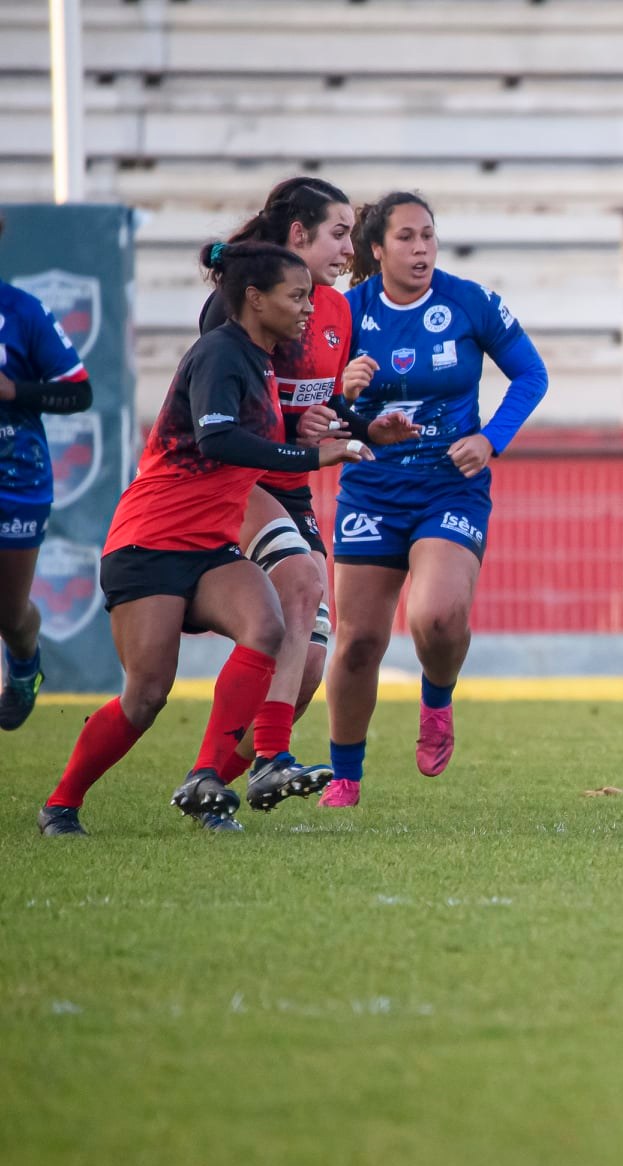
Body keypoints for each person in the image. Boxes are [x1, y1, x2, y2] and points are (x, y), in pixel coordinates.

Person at [35, 242, 374, 836]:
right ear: (255, 299)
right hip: (151, 541)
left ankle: (211, 775)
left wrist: (352, 428)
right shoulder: (220, 353)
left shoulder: (261, 361)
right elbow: (217, 439)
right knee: (146, 695)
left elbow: (254, 438)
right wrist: (314, 455)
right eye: (297, 297)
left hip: (211, 547)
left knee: (268, 627)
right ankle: (61, 803)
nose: (308, 308)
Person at [320, 191, 549, 807]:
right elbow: (315, 405)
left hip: (450, 486)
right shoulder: (345, 314)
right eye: (406, 238)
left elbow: (532, 374)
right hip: (372, 489)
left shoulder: (469, 302)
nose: (421, 249)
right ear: (376, 249)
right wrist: (343, 390)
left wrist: (490, 439)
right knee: (358, 641)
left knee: (438, 617)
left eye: (428, 235)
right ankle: (345, 775)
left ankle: (437, 698)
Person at [197, 177, 409, 806]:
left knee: (311, 662)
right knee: (301, 585)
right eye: (339, 234)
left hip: (291, 486)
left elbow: (323, 407)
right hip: (234, 481)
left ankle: (210, 780)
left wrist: (365, 426)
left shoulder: (336, 311)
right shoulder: (240, 310)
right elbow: (224, 422)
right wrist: (302, 431)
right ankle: (271, 757)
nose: (351, 250)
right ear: (298, 234)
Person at [0, 212, 93, 730]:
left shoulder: (22, 311)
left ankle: (24, 662)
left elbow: (79, 392)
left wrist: (15, 391)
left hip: (16, 476)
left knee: (9, 614)